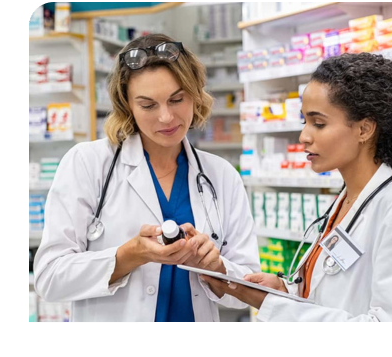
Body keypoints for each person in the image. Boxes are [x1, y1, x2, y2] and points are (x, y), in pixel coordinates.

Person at [202, 52, 392, 322]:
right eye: (304, 122)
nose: (304, 136)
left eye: (319, 123)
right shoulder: (347, 200)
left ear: (364, 129)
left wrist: (275, 306)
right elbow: (333, 293)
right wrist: (285, 290)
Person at [34, 33, 260, 322]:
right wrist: (129, 255)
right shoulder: (87, 164)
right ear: (127, 104)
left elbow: (247, 286)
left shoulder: (221, 175)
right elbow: (49, 277)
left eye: (177, 99)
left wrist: (217, 268)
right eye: (148, 105)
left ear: (195, 93)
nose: (166, 117)